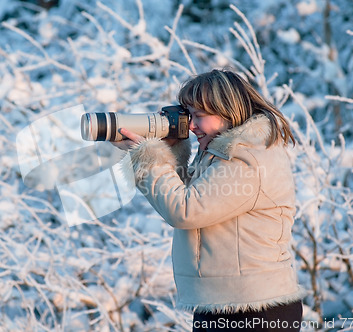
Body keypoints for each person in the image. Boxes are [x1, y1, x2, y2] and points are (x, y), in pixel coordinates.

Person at [113, 68, 304, 331]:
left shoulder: (247, 158)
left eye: (199, 116)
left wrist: (148, 157)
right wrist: (166, 151)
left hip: (253, 310)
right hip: (228, 304)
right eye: (189, 116)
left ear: (228, 113)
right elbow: (191, 196)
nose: (191, 126)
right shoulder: (222, 153)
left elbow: (185, 211)